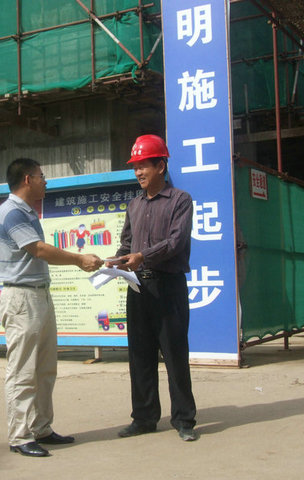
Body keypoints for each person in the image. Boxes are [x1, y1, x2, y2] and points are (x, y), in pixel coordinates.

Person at [0, 158, 103, 457]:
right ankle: (20, 436)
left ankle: (41, 428)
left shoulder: (27, 212)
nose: (46, 181)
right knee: (22, 370)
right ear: (27, 180)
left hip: (38, 295)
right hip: (22, 298)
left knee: (44, 368)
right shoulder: (12, 211)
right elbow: (38, 249)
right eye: (42, 176)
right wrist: (79, 259)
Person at [106, 134, 198, 442]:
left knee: (174, 354)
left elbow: (175, 242)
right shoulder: (134, 204)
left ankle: (184, 420)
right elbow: (127, 243)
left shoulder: (180, 200)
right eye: (135, 167)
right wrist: (116, 261)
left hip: (168, 287)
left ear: (161, 166)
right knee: (140, 355)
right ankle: (144, 418)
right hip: (138, 288)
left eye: (143, 166)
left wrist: (143, 256)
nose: (138, 172)